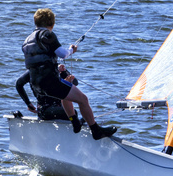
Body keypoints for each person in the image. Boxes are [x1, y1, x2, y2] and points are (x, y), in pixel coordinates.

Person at [22, 8, 117, 140]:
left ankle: (75, 122)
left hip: (37, 84)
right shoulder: (48, 34)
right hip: (50, 82)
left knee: (65, 93)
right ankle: (96, 131)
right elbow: (63, 54)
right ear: (52, 23)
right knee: (83, 100)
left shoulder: (28, 40)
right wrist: (72, 50)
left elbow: (41, 59)